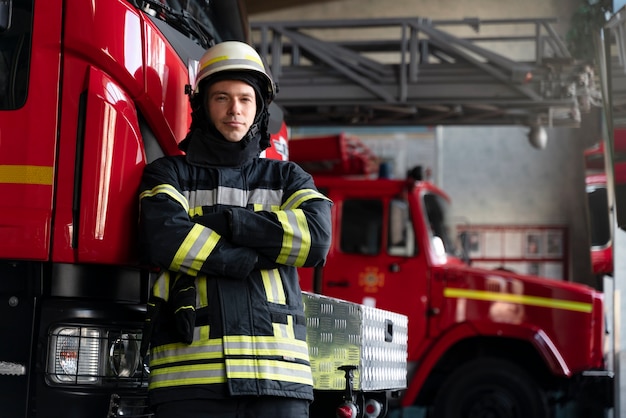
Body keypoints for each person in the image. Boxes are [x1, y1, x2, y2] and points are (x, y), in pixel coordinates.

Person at [138, 41, 332, 418]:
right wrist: (257, 252)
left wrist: (225, 221)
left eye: (245, 99)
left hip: (279, 379)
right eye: (221, 98)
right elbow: (164, 239)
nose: (235, 110)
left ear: (259, 108)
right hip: (191, 380)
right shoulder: (168, 173)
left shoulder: (288, 176)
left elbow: (316, 240)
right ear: (201, 106)